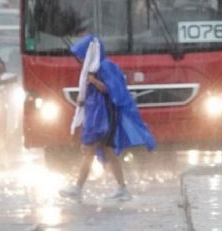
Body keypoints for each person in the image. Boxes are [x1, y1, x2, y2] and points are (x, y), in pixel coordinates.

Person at [59, 35, 155, 202]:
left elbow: (111, 90)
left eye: (82, 56)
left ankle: (79, 188)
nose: (80, 60)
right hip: (97, 117)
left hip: (104, 118)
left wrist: (93, 81)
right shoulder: (93, 68)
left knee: (89, 150)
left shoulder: (104, 67)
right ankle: (120, 188)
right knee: (107, 151)